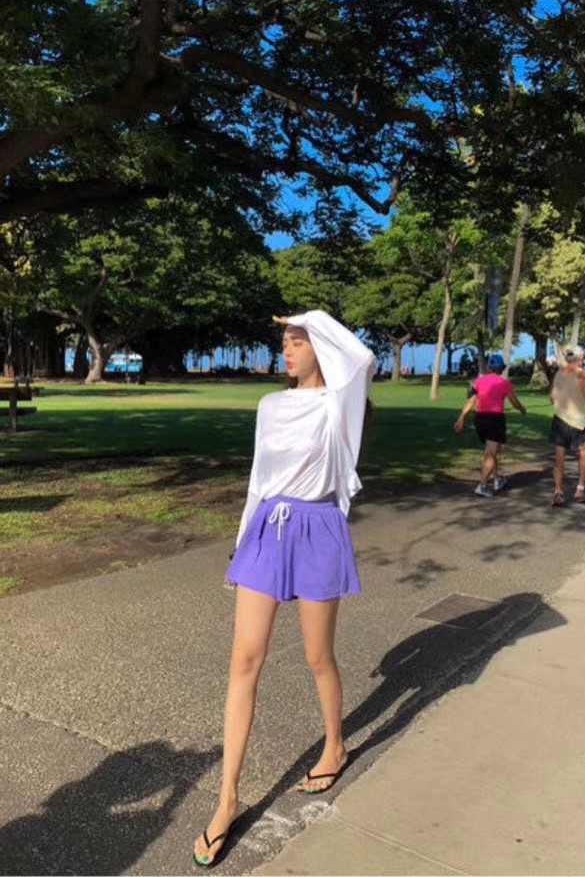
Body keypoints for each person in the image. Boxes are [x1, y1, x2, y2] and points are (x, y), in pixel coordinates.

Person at [193, 310, 376, 868]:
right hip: (266, 530)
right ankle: (227, 798)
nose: (288, 350)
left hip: (318, 529)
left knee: (318, 657)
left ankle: (335, 746)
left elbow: (362, 357)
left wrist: (311, 317)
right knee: (244, 660)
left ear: (320, 345)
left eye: (299, 340)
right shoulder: (270, 405)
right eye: (284, 341)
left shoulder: (338, 404)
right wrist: (240, 546)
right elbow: (258, 479)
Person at [454, 353, 527, 498]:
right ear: (502, 369)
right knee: (491, 453)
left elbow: (471, 401)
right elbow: (514, 402)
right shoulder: (504, 383)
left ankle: (497, 479)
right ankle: (482, 486)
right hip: (495, 419)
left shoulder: (479, 381)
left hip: (480, 419)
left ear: (489, 367)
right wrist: (522, 409)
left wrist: (461, 417)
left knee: (493, 450)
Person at [549, 344, 585, 507]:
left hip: (560, 419)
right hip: (578, 420)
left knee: (560, 455)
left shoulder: (559, 374)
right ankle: (580, 490)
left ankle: (558, 492)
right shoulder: (584, 374)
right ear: (580, 358)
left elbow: (552, 397)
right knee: (584, 452)